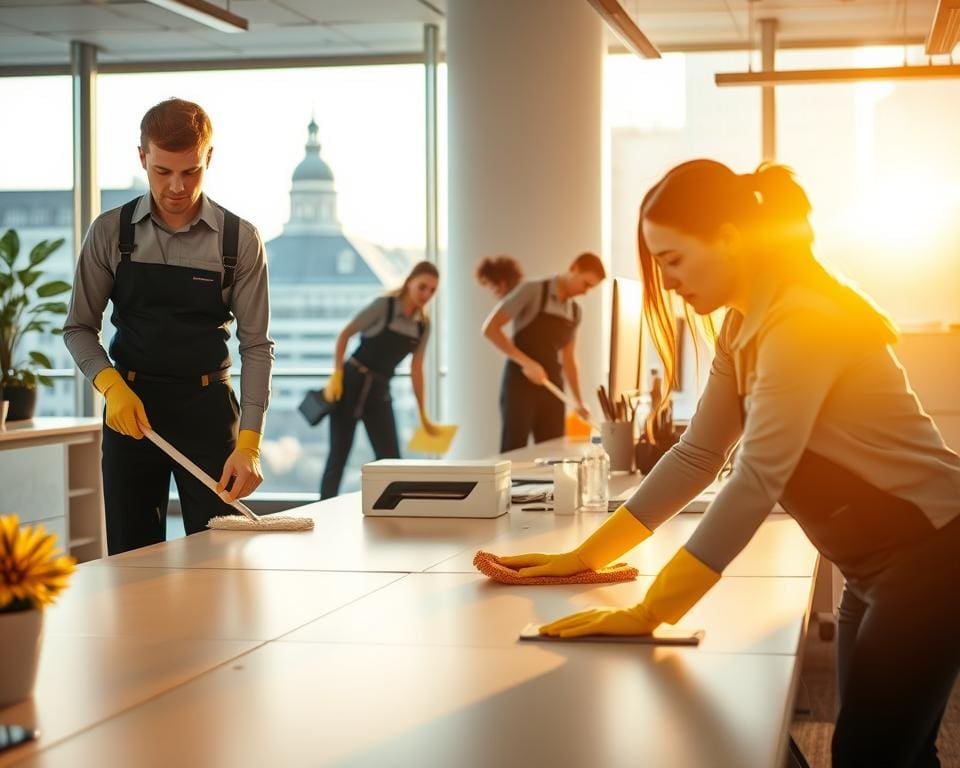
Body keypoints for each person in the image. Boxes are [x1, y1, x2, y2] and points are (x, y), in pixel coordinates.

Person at [494, 160, 960, 767]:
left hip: (931, 557)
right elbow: (697, 455)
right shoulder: (742, 327)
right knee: (894, 748)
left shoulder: (804, 319)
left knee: (869, 754)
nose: (669, 281)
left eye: (676, 260)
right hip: (870, 570)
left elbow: (756, 478)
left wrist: (652, 611)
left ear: (730, 239)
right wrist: (585, 558)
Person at [63, 98, 274, 555]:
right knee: (130, 558)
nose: (177, 186)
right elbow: (78, 327)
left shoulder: (240, 240)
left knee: (222, 556)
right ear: (143, 158)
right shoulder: (109, 233)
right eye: (162, 171)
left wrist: (250, 443)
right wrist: (110, 386)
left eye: (191, 171)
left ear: (209, 159)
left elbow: (256, 346)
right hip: (132, 412)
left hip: (209, 413)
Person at [320, 261, 441, 499]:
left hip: (379, 392)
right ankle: (320, 513)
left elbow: (417, 369)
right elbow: (345, 334)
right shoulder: (383, 307)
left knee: (391, 459)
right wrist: (337, 374)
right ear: (409, 283)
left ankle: (392, 511)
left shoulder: (423, 326)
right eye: (422, 287)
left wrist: (423, 413)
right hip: (350, 384)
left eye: (433, 290)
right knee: (338, 457)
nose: (427, 294)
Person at [482, 252, 605, 452]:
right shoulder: (532, 291)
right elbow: (490, 328)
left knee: (553, 452)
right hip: (520, 383)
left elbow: (569, 358)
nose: (586, 292)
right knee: (514, 450)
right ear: (574, 268)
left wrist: (579, 401)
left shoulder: (575, 311)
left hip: (552, 386)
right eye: (586, 284)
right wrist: (526, 363)